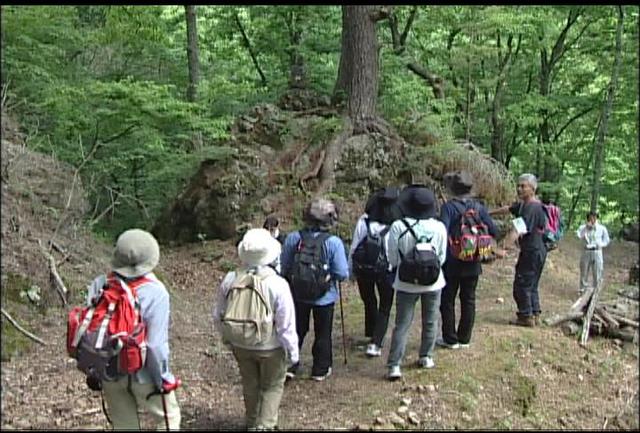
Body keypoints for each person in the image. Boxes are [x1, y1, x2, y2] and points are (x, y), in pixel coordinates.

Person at [86, 229, 181, 430]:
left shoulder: (100, 284)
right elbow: (155, 345)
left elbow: (91, 328)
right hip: (143, 374)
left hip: (108, 370)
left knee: (123, 426)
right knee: (169, 419)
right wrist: (163, 379)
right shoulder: (156, 292)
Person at [213, 228, 298, 430]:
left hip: (240, 344)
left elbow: (218, 314)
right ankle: (265, 425)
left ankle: (251, 422)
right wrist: (292, 353)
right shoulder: (278, 284)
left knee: (250, 385)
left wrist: (227, 338)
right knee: (272, 386)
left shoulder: (230, 279)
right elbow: (285, 325)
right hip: (271, 346)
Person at [280, 197, 349, 381]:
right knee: (323, 332)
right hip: (325, 296)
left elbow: (284, 267)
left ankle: (289, 364)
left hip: (297, 293)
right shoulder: (333, 243)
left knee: (296, 329)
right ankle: (320, 368)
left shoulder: (294, 238)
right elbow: (342, 273)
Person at [385, 186, 447, 380]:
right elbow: (442, 258)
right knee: (431, 320)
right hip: (433, 282)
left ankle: (395, 364)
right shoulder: (439, 227)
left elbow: (393, 259)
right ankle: (426, 356)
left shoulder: (397, 226)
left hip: (405, 282)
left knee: (402, 323)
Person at [438, 171, 498, 349]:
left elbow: (442, 231)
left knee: (448, 299)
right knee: (469, 298)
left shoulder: (448, 207)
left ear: (453, 188)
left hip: (453, 260)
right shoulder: (479, 207)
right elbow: (493, 229)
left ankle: (450, 339)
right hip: (474, 259)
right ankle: (465, 338)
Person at [348, 187, 401, 357]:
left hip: (364, 269)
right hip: (385, 271)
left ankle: (371, 332)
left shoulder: (364, 221)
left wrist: (350, 271)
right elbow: (396, 252)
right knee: (385, 306)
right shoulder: (397, 224)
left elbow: (354, 247)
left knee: (369, 300)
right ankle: (376, 343)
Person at [490, 173, 548, 327]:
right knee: (531, 284)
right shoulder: (524, 204)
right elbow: (508, 209)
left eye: (523, 186)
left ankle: (525, 316)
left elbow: (517, 230)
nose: (519, 189)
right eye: (518, 185)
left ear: (533, 188)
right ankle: (535, 314)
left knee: (521, 284)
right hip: (536, 250)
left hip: (532, 251)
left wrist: (501, 249)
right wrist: (487, 213)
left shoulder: (532, 207)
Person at [576, 211, 610, 294]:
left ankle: (596, 291)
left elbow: (607, 240)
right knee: (584, 271)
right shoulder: (582, 227)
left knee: (597, 272)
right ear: (588, 218)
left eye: (594, 217)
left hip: (597, 251)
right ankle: (582, 290)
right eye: (591, 217)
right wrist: (586, 228)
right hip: (586, 251)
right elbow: (579, 236)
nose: (592, 219)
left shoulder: (602, 228)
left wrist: (600, 244)